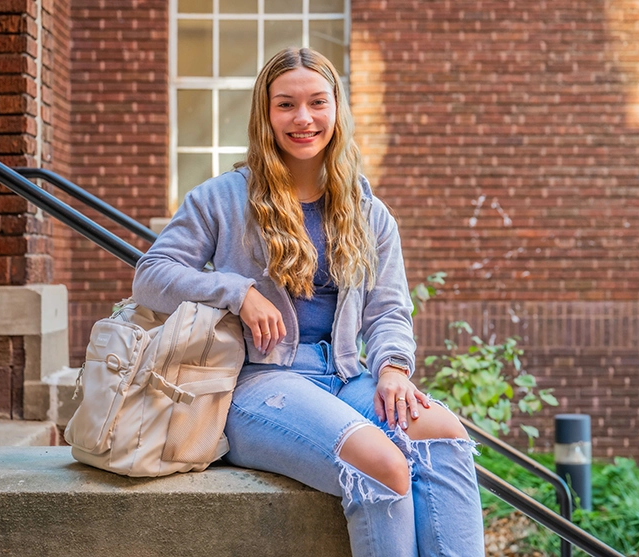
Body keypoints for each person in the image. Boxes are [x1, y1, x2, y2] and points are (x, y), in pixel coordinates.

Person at [132, 47, 485, 557]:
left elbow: (388, 309)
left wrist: (391, 370)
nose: (303, 118)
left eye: (317, 102)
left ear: (336, 109)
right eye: (286, 105)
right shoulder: (223, 199)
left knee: (442, 436)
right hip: (258, 383)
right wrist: (238, 292)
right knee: (381, 463)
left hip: (346, 376)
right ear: (265, 114)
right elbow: (151, 276)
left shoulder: (368, 211)